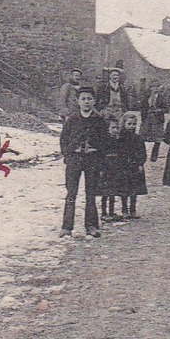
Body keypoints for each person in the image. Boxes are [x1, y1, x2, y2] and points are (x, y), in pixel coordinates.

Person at [59, 87, 107, 236]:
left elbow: (105, 141)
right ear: (78, 101)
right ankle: (67, 227)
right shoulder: (72, 119)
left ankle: (91, 225)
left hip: (92, 160)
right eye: (83, 99)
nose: (86, 102)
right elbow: (64, 139)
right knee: (71, 193)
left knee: (90, 193)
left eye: (89, 99)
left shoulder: (99, 120)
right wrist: (68, 155)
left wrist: (97, 152)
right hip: (74, 160)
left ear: (94, 101)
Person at [110, 110, 148, 219]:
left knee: (134, 190)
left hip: (135, 166)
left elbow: (142, 152)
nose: (132, 126)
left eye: (134, 124)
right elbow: (118, 152)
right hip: (123, 166)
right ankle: (124, 209)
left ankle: (133, 209)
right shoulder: (120, 138)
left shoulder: (138, 138)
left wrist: (140, 163)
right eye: (129, 124)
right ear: (124, 124)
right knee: (124, 189)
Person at [98, 115, 124, 222]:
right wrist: (101, 168)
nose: (115, 130)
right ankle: (104, 213)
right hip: (107, 167)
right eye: (113, 128)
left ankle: (112, 212)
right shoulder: (104, 140)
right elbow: (101, 155)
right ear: (108, 129)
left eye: (117, 128)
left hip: (116, 167)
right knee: (105, 192)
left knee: (113, 191)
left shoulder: (120, 140)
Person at [141, 88, 167, 162]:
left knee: (157, 138)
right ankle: (143, 154)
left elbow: (166, 108)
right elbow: (142, 106)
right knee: (143, 136)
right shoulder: (146, 96)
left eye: (157, 87)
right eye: (153, 87)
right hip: (147, 119)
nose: (155, 89)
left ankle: (154, 156)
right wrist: (144, 114)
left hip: (157, 119)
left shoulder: (162, 97)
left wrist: (159, 110)